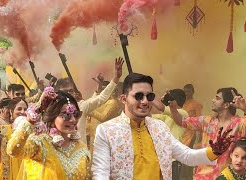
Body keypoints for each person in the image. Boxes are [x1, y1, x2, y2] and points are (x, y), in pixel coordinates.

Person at [91, 73, 232, 180]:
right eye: (138, 96)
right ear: (123, 99)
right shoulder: (107, 131)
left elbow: (186, 155)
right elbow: (100, 174)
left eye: (149, 96)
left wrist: (214, 151)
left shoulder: (159, 128)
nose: (145, 101)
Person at [7, 88, 91, 179]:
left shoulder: (82, 148)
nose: (73, 120)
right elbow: (13, 151)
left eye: (76, 114)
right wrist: (31, 118)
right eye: (66, 115)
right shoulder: (39, 144)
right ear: (52, 117)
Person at [170, 88, 246, 179]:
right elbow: (181, 121)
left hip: (225, 177)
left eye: (217, 98)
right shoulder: (206, 121)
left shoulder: (239, 124)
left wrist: (244, 108)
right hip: (202, 176)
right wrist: (172, 108)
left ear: (226, 105)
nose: (213, 100)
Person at [54, 58, 124, 143]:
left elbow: (101, 98)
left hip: (80, 153)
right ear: (57, 92)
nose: (69, 93)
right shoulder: (52, 109)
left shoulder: (81, 106)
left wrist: (115, 78)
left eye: (71, 91)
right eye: (65, 91)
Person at [0, 97, 28, 180]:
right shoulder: (4, 129)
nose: (23, 112)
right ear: (11, 112)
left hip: (25, 173)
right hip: (6, 174)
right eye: (19, 109)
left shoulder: (31, 131)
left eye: (25, 109)